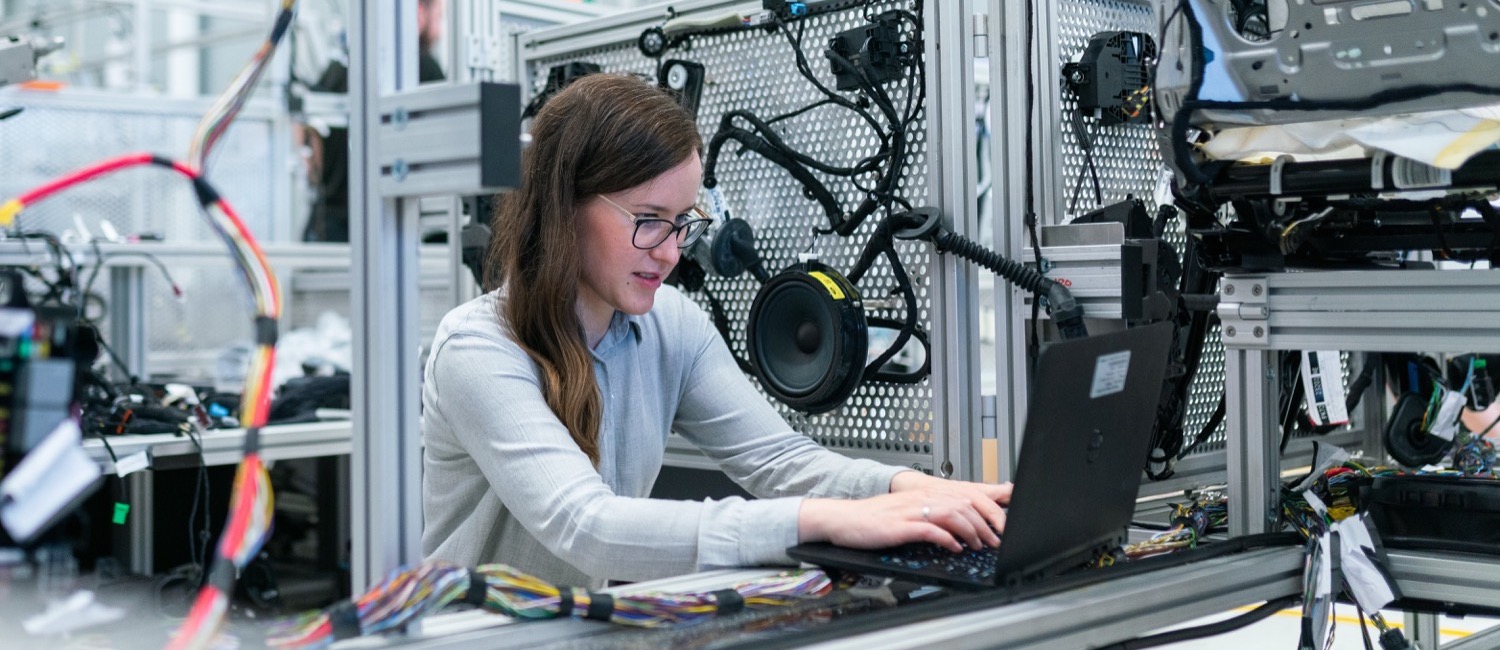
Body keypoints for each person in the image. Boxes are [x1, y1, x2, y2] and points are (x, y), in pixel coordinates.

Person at [420, 74, 1012, 589]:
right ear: (564, 206)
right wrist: (819, 521)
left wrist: (914, 489)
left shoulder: (670, 326)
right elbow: (587, 527)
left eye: (683, 223)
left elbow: (780, 460)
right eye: (649, 221)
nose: (672, 253)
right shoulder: (478, 348)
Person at [300, 0, 445, 242]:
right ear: (419, 14)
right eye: (439, 17)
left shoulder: (339, 68)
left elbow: (307, 139)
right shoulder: (423, 67)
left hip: (328, 230)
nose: (439, 31)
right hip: (385, 227)